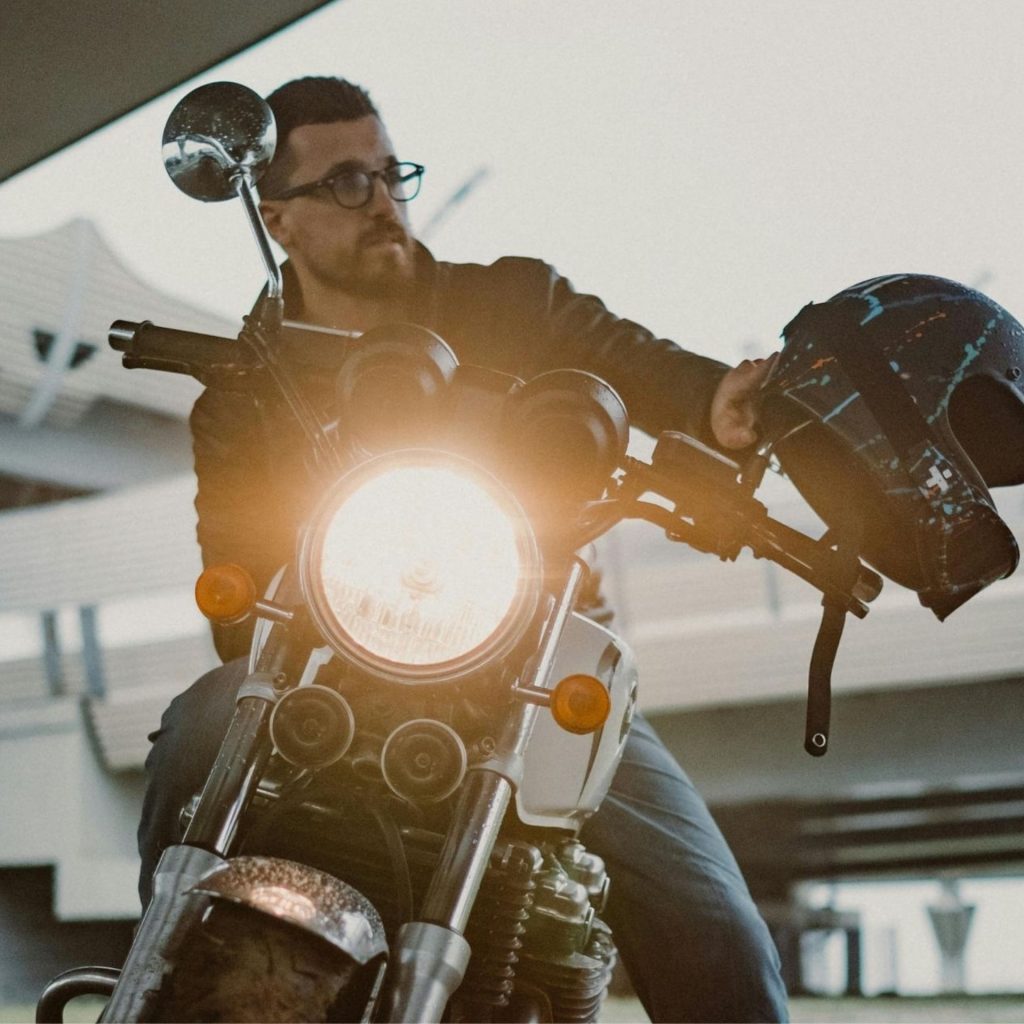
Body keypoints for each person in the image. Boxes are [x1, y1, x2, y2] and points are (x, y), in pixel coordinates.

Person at [138, 76, 789, 1022]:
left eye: (390, 173)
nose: (383, 203)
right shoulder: (246, 385)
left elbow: (647, 368)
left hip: (545, 666)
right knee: (200, 728)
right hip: (332, 663)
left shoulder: (515, 301)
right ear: (276, 219)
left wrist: (719, 406)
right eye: (346, 184)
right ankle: (155, 973)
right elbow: (236, 604)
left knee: (715, 927)